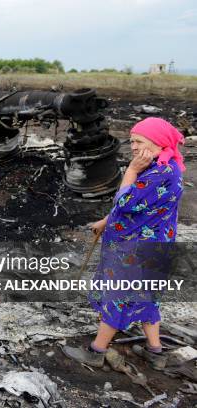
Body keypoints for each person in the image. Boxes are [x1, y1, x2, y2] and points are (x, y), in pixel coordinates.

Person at [63, 117, 185, 368]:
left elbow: (127, 202)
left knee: (119, 297)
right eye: (131, 141)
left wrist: (130, 171)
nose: (134, 146)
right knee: (146, 297)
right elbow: (138, 209)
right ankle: (155, 352)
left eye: (139, 141)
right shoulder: (162, 166)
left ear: (159, 142)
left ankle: (96, 351)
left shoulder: (160, 173)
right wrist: (106, 221)